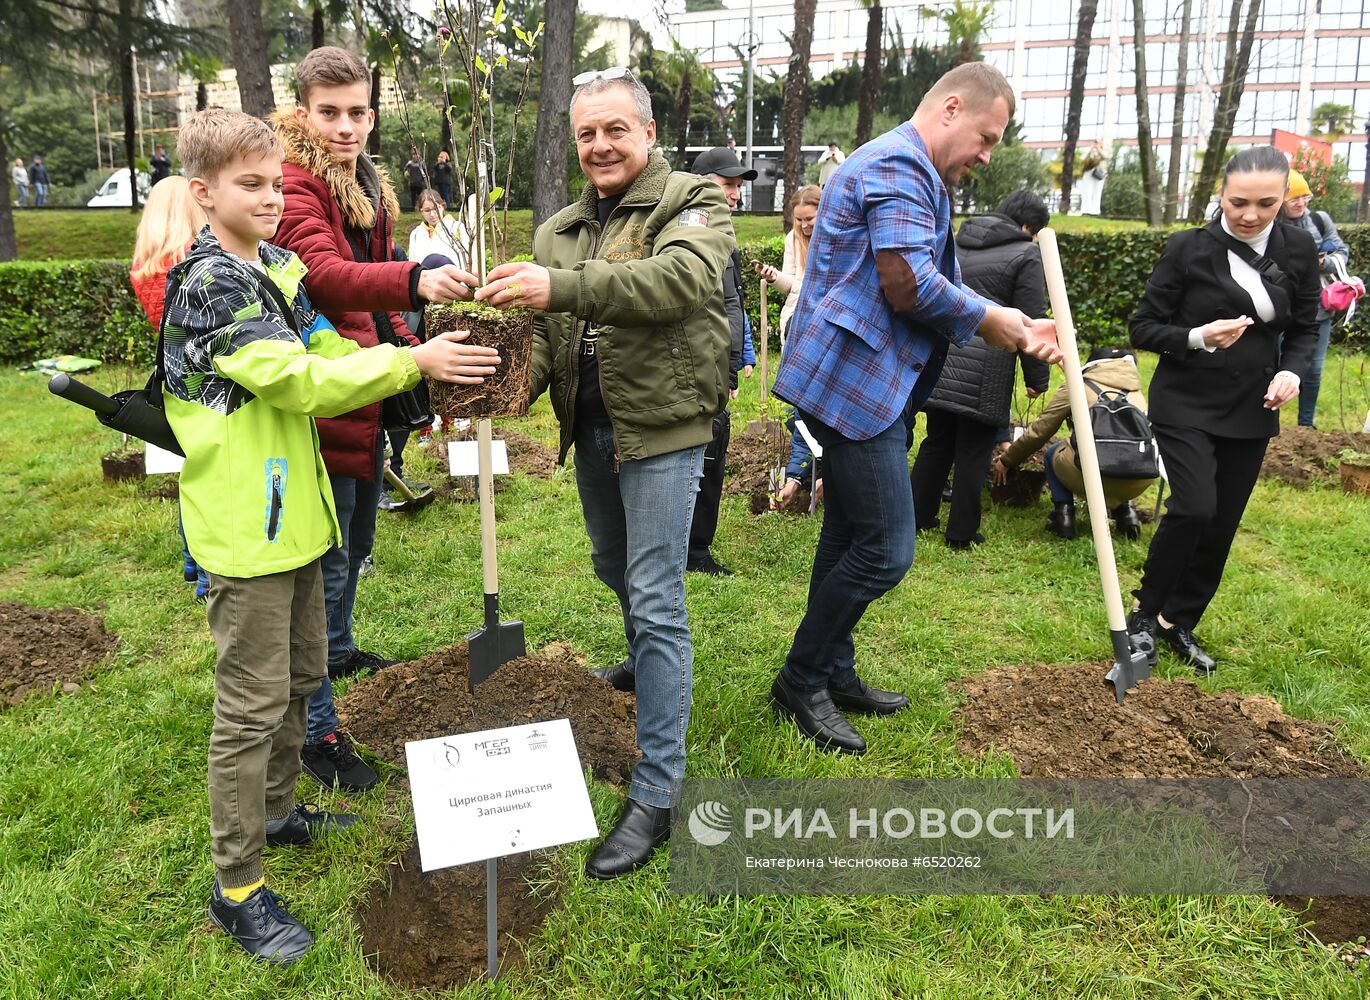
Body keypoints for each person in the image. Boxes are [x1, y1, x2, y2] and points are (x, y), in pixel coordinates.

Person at [163, 107, 495, 966]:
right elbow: (297, 380)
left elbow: (318, 338)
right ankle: (237, 885)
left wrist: (413, 320)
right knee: (249, 705)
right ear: (203, 193)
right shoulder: (209, 286)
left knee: (304, 676)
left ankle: (278, 812)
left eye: (277, 183)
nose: (272, 199)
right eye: (251, 185)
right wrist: (408, 365)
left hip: (297, 516)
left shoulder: (275, 265)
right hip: (243, 530)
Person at [476, 67, 732, 879]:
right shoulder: (558, 229)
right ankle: (648, 664)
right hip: (591, 429)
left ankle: (659, 790)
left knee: (657, 596)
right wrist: (490, 370)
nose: (600, 146)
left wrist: (560, 286)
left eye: (615, 129)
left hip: (664, 427)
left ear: (648, 132)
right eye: (586, 133)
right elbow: (551, 339)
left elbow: (679, 284)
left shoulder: (692, 202)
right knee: (612, 569)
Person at [769, 62, 1061, 756]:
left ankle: (831, 670)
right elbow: (908, 284)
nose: (988, 155)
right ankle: (800, 678)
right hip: (856, 387)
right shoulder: (899, 165)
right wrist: (1001, 321)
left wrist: (1005, 317)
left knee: (846, 532)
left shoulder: (908, 167)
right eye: (987, 137)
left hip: (874, 383)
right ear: (952, 108)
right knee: (887, 551)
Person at [272, 46, 494, 793]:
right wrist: (414, 278)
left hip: (368, 392)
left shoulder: (364, 180)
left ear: (372, 110)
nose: (345, 126)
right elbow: (322, 275)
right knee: (327, 564)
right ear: (301, 111)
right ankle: (316, 731)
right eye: (328, 113)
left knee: (358, 545)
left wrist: (407, 334)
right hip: (328, 395)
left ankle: (337, 651)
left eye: (357, 112)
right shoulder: (295, 184)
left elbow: (374, 286)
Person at [1126, 146, 1319, 676]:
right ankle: (1144, 616)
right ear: (1221, 196)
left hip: (1253, 405)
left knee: (1223, 523)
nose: (1250, 215)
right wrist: (1197, 336)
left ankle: (1177, 621)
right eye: (1238, 202)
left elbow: (1304, 327)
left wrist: (1292, 372)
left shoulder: (1299, 250)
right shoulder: (1189, 248)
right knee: (1194, 507)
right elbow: (1142, 327)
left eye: (1265, 203)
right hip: (1184, 399)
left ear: (1285, 199)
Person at [910, 189, 1053, 549]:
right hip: (986, 368)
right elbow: (1030, 323)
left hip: (943, 355)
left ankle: (917, 517)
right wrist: (1037, 379)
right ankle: (961, 533)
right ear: (1026, 226)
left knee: (937, 440)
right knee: (974, 449)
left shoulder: (958, 240)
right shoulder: (1026, 254)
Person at [129, 176, 212, 599]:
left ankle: (191, 562)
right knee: (212, 472)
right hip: (203, 373)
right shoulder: (195, 261)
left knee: (190, 469)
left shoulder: (144, 266)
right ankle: (205, 571)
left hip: (169, 374)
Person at [991, 346, 1154, 540]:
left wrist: (1008, 460)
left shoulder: (1077, 387)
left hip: (1093, 476)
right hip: (1140, 479)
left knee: (1052, 452)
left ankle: (1064, 517)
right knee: (1125, 453)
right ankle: (1127, 515)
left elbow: (1040, 432)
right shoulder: (1137, 393)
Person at [687, 145, 757, 576]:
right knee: (697, 462)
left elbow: (734, 304)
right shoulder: (690, 234)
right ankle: (689, 552)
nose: (734, 194)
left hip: (717, 369)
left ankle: (696, 549)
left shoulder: (725, 237)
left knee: (711, 459)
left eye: (737, 186)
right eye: (727, 184)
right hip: (696, 368)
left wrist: (735, 361)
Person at [1280, 168, 1349, 428]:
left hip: (1319, 309)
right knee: (1276, 367)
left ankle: (1306, 426)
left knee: (1314, 370)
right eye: (1294, 199)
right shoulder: (1270, 226)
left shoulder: (1319, 220)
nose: (1300, 203)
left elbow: (1342, 251)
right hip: (1282, 309)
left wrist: (1325, 263)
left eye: (1305, 197)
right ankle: (1268, 422)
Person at [753, 183, 820, 344]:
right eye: (798, 219)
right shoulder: (792, 238)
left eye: (809, 219)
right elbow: (791, 284)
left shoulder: (838, 237)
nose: (804, 225)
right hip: (798, 311)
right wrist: (773, 277)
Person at [408, 188, 468, 268]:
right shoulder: (416, 234)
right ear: (421, 211)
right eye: (427, 210)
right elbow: (413, 264)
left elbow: (466, 260)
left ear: (442, 206)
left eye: (436, 208)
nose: (432, 214)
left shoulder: (457, 228)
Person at [1076, 141, 1106, 216]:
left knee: (1097, 192)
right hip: (1088, 173)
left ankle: (1095, 211)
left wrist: (1098, 149)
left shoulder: (1102, 152)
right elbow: (1083, 160)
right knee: (1087, 192)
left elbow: (1105, 157)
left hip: (1099, 173)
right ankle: (1086, 210)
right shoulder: (1089, 152)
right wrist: (1091, 150)